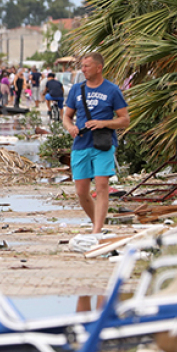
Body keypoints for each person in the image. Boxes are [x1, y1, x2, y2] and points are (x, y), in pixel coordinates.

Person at [63, 52, 129, 234]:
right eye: (82, 66)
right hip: (81, 144)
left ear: (99, 68)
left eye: (87, 66)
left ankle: (97, 230)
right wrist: (70, 127)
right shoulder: (76, 89)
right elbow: (67, 116)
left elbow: (124, 120)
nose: (83, 69)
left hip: (102, 144)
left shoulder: (112, 90)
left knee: (101, 187)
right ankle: (97, 225)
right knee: (81, 191)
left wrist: (103, 123)